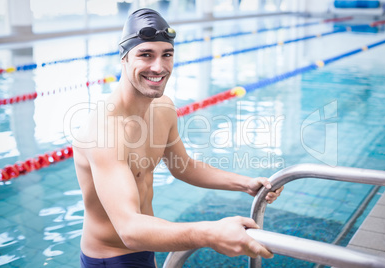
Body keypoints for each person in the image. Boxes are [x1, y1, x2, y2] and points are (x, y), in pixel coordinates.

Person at [73, 8, 284, 268]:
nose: (159, 67)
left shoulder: (162, 107)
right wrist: (210, 233)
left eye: (167, 55)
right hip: (111, 258)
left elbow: (184, 166)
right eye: (145, 55)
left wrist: (246, 184)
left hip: (146, 245)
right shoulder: (104, 131)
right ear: (124, 58)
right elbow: (128, 228)